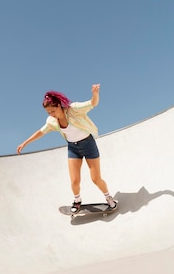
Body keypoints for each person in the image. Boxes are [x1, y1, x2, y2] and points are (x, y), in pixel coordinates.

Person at [17, 84, 117, 214]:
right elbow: (41, 132)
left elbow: (92, 103)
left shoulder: (73, 110)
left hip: (88, 144)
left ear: (59, 106)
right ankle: (77, 200)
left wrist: (95, 94)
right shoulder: (52, 121)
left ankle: (109, 197)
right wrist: (25, 142)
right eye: (48, 113)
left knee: (95, 179)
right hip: (73, 148)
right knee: (74, 181)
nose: (51, 115)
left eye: (52, 111)